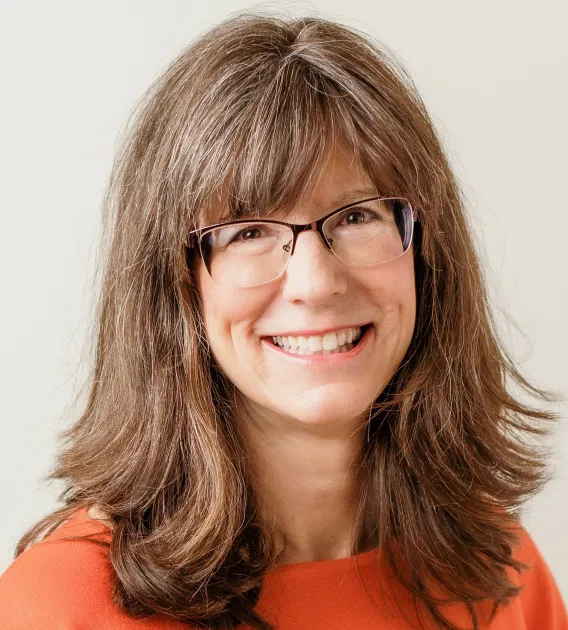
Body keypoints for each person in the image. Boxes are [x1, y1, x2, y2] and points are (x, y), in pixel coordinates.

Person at [0, 11, 566, 630]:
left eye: (357, 216)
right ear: (175, 286)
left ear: (428, 252)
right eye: (248, 231)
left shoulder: (499, 569)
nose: (316, 283)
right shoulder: (65, 607)